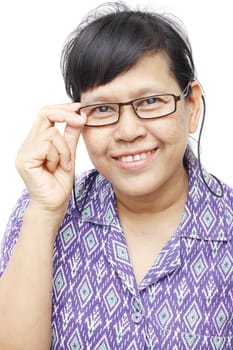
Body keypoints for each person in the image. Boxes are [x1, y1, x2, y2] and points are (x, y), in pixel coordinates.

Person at [0, 2, 232, 349]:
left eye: (151, 101)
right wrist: (45, 213)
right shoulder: (40, 211)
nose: (128, 131)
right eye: (103, 108)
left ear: (192, 106)